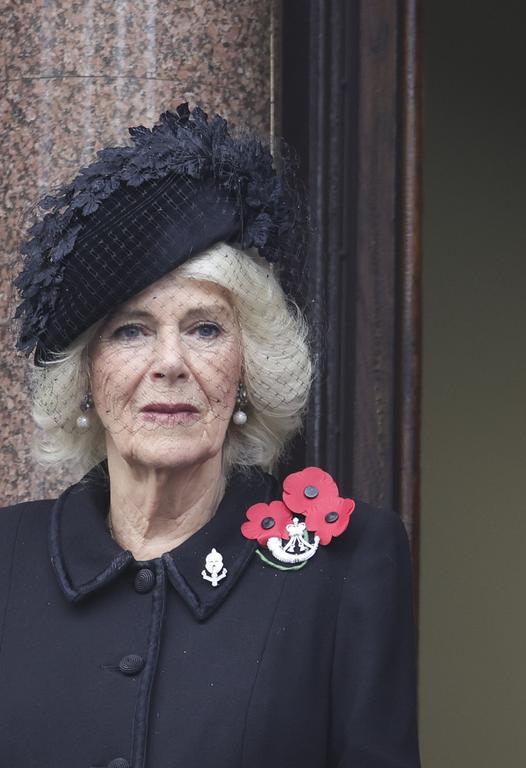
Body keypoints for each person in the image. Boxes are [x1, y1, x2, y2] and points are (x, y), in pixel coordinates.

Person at [0, 104, 420, 768]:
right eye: (131, 330)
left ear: (248, 364)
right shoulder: (6, 559)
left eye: (205, 328)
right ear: (86, 374)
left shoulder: (347, 566)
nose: (170, 363)